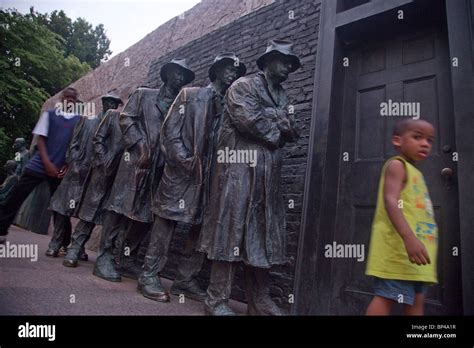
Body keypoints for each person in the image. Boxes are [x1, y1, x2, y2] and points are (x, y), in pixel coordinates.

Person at [197, 40, 300, 315]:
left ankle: (259, 300)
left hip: (268, 176)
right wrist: (278, 122)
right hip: (238, 172)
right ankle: (216, 299)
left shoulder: (285, 96)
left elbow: (294, 130)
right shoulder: (243, 85)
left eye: (291, 63)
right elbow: (250, 122)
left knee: (263, 235)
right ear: (267, 61)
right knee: (231, 229)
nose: (289, 67)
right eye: (283, 61)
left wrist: (279, 121)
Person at [138, 53, 246, 302]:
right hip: (182, 173)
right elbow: (170, 132)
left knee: (201, 228)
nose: (232, 74)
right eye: (228, 68)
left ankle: (185, 280)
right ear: (216, 70)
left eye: (236, 71)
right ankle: (149, 274)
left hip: (213, 178)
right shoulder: (190, 95)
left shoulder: (232, 105)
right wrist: (183, 160)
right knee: (166, 221)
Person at [93, 59, 195, 282]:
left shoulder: (182, 107)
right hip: (135, 161)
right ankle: (104, 257)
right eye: (177, 73)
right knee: (119, 206)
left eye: (184, 76)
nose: (180, 78)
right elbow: (126, 118)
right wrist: (139, 145)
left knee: (146, 215)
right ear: (167, 74)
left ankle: (127, 257)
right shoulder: (144, 94)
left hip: (161, 168)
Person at [365, 119, 438, 316]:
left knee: (416, 301)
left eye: (430, 140)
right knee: (387, 297)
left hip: (420, 254)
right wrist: (408, 237)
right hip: (399, 249)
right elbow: (391, 201)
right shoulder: (397, 166)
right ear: (397, 140)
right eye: (417, 137)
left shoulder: (416, 173)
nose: (425, 144)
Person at [0, 87, 81, 246]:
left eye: (73, 97)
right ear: (62, 98)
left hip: (59, 171)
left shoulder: (78, 121)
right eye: (67, 97)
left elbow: (76, 146)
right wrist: (47, 163)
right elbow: (40, 141)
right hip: (38, 166)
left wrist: (65, 166)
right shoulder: (49, 116)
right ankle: (1, 230)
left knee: (59, 207)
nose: (70, 100)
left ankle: (64, 244)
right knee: (16, 196)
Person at [58, 93, 123, 267]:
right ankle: (75, 247)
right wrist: (103, 162)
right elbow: (97, 140)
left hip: (122, 179)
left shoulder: (136, 124)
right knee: (90, 209)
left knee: (111, 217)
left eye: (115, 103)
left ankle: (108, 256)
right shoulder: (111, 119)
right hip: (100, 173)